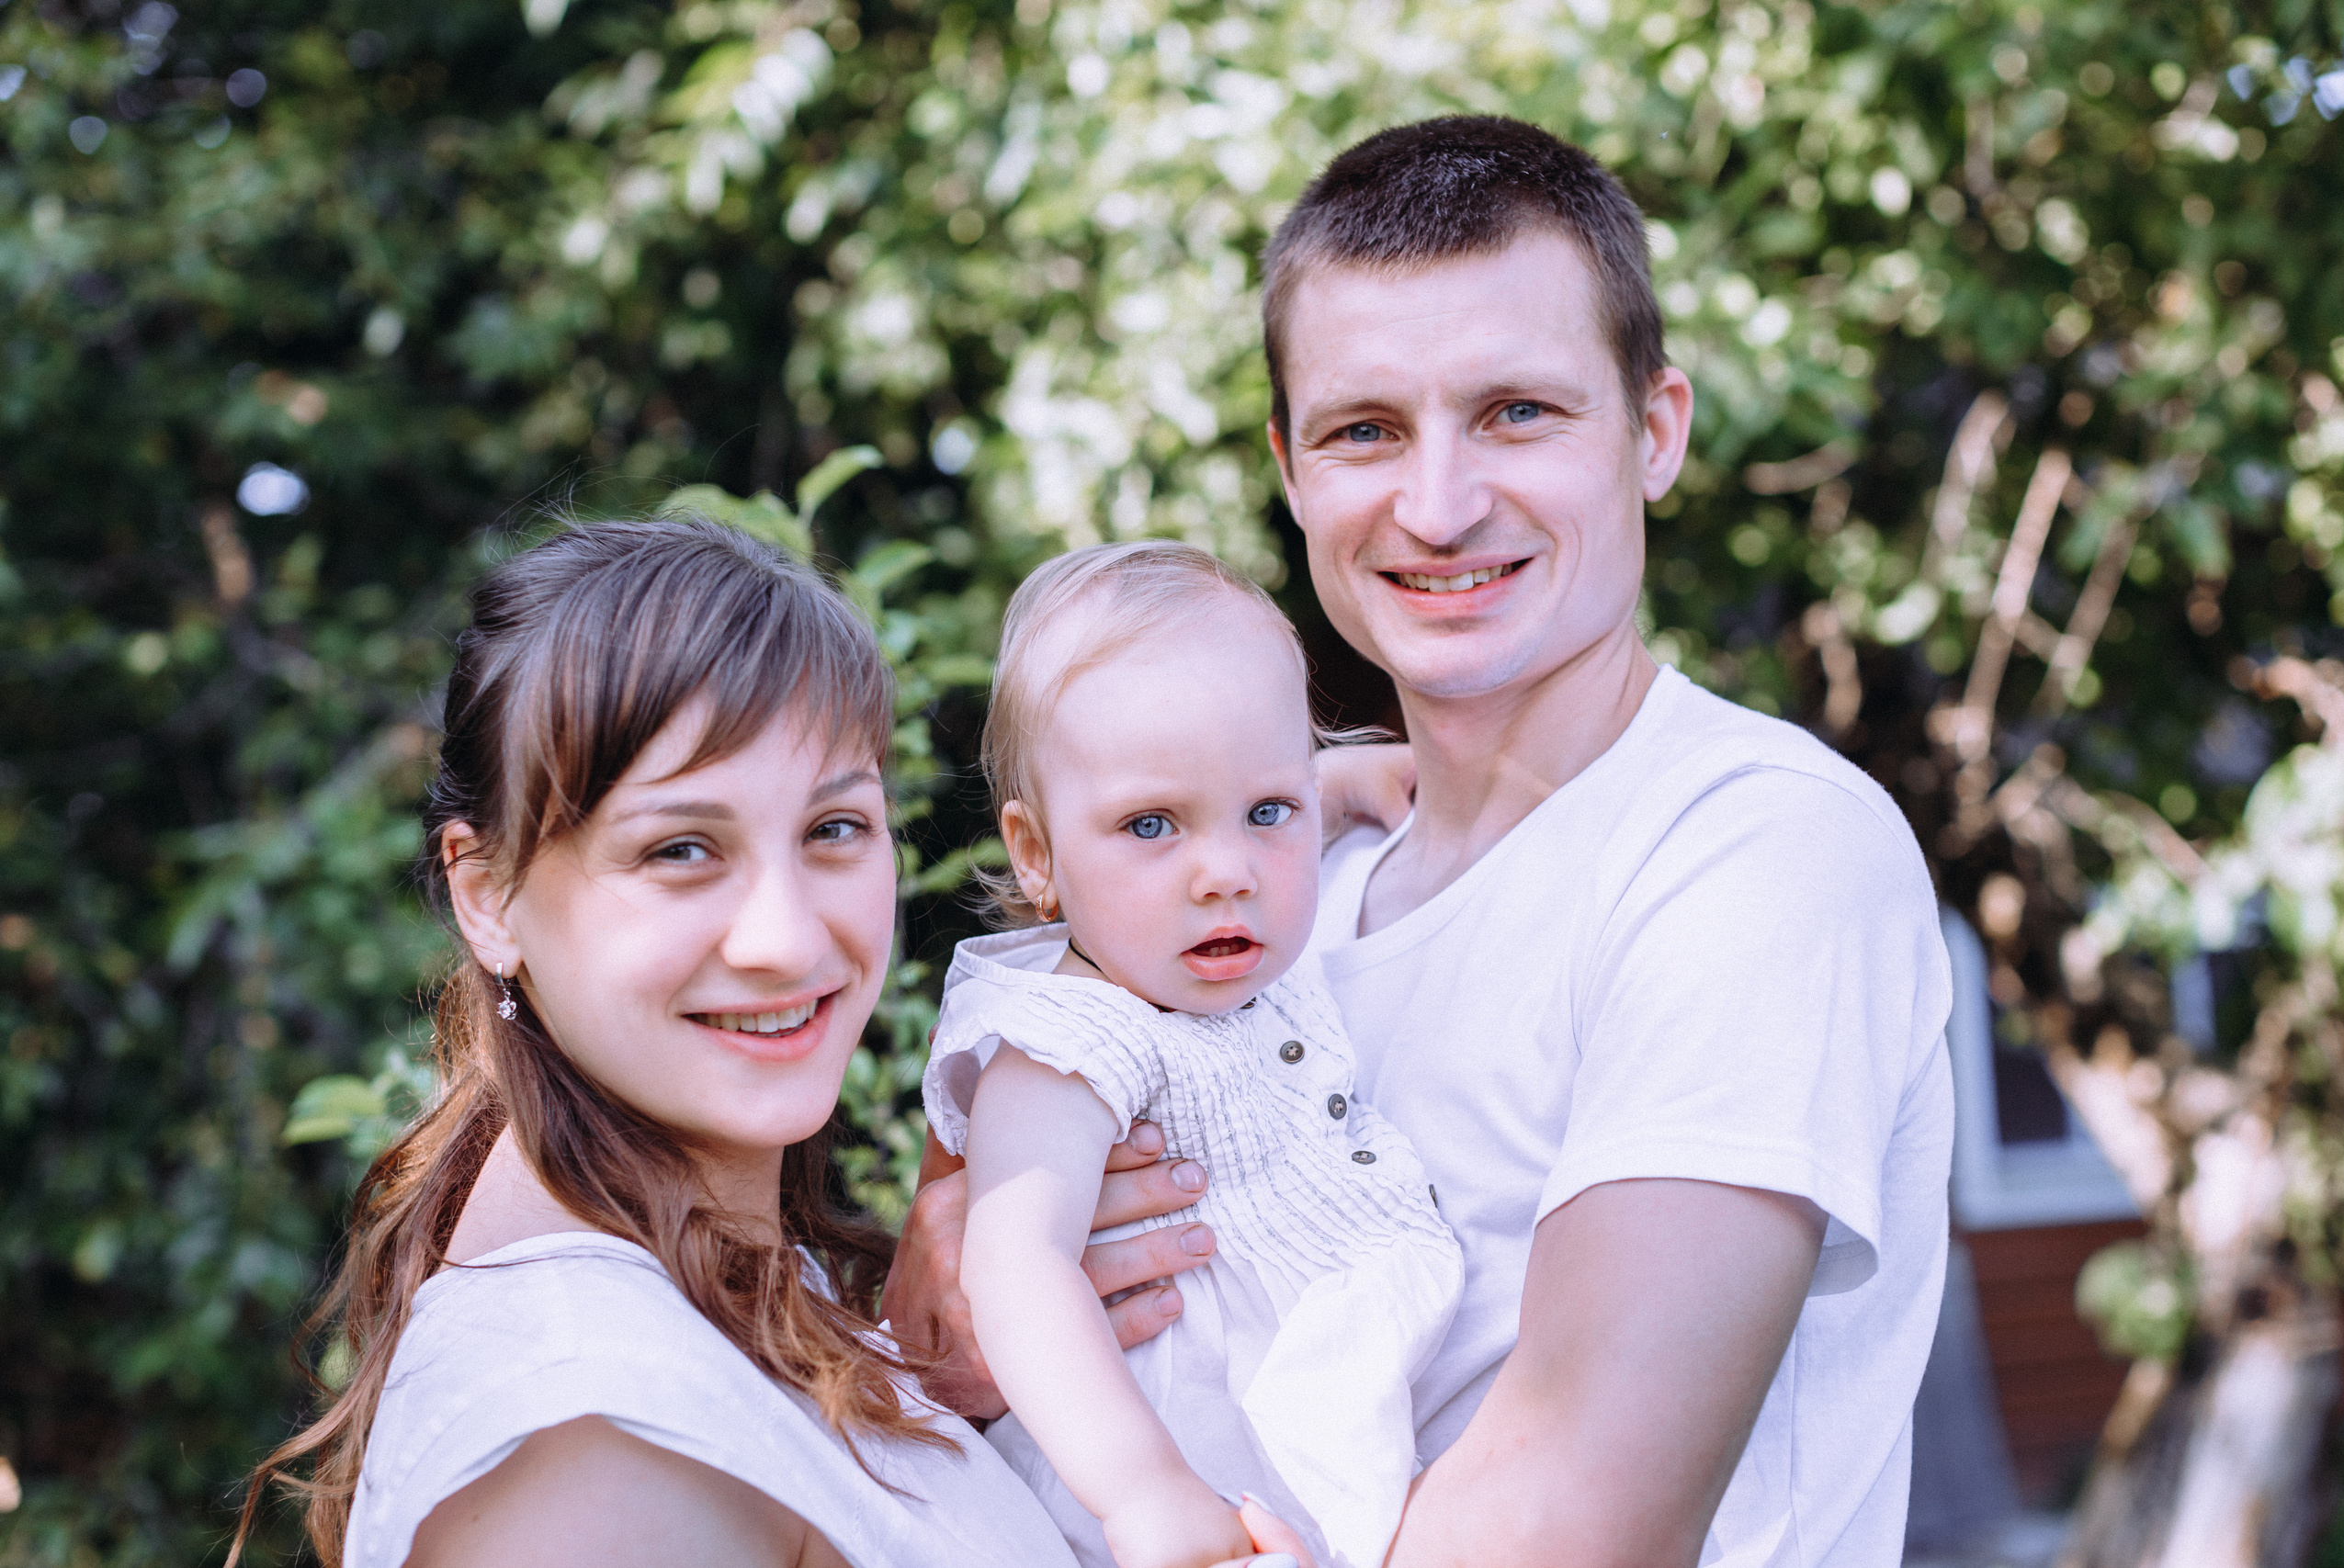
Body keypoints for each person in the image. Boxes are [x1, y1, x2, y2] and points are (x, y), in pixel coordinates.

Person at [884, 116, 1955, 1567]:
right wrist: (955, 1320)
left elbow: (1565, 1523)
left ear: (1657, 429)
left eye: (1518, 411)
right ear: (1290, 466)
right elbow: (987, 1295)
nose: (1439, 506)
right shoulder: (1264, 890)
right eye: (1365, 430)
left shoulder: (1751, 850)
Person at [232, 518, 1310, 1568]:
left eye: (833, 829)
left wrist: (935, 1393)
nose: (788, 938)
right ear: (487, 895)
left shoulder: (727, 1294)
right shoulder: (598, 1454)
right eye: (683, 849)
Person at [926, 542, 1462, 1568]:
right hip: (1174, 1466)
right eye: (1150, 824)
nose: (1225, 872)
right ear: (1035, 855)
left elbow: (1248, 782)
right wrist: (1144, 1493)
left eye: (1267, 812)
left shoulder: (1240, 935)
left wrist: (1332, 787)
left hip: (1310, 1443)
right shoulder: (1067, 1040)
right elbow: (1015, 1263)